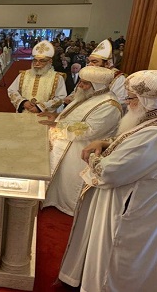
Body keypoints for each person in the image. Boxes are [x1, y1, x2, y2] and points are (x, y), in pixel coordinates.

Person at [58, 70, 157, 291]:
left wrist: (95, 158)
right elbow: (135, 139)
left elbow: (110, 172)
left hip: (137, 211)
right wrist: (107, 142)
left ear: (148, 99)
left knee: (118, 266)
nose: (127, 102)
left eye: (132, 98)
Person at [38, 66, 122, 215]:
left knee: (68, 184)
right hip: (63, 145)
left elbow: (90, 129)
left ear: (98, 86)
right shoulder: (88, 95)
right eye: (81, 82)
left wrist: (58, 125)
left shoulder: (109, 105)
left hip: (79, 151)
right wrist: (56, 117)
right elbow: (71, 114)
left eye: (85, 83)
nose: (80, 86)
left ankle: (65, 206)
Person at [7, 40, 67, 113]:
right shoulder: (23, 74)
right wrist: (23, 102)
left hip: (45, 115)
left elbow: (61, 98)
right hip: (24, 113)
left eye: (42, 61)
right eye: (35, 60)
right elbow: (12, 91)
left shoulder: (57, 78)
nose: (37, 64)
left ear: (50, 61)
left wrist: (40, 107)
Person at [87, 39, 127, 109]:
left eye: (94, 62)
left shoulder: (118, 78)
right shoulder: (89, 74)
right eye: (89, 61)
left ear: (107, 64)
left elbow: (119, 101)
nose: (90, 64)